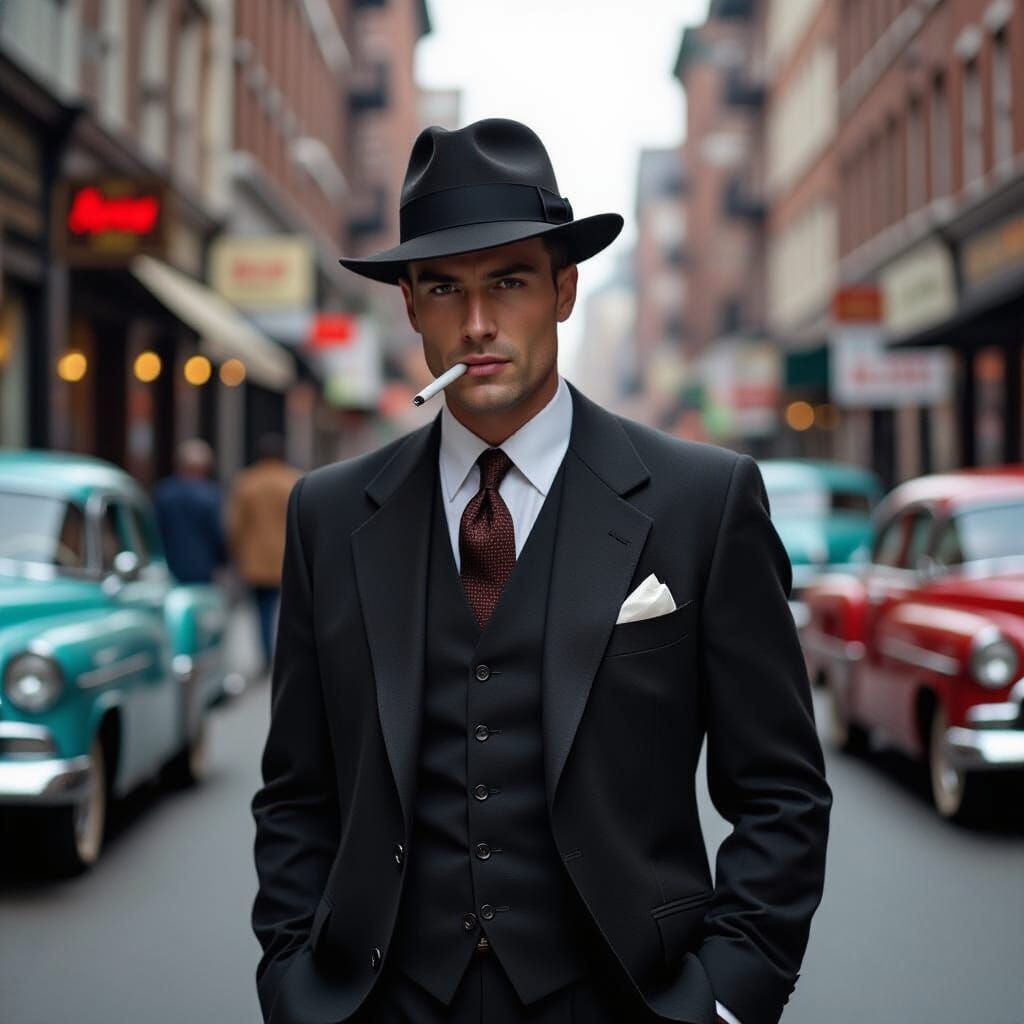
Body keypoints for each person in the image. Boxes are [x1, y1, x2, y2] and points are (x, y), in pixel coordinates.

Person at [251, 119, 832, 1024]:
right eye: (444, 288)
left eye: (509, 282)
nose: (476, 323)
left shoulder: (701, 501)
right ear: (408, 304)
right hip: (383, 1003)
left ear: (564, 290)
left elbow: (781, 790)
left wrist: (730, 997)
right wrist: (291, 981)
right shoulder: (327, 514)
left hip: (626, 999)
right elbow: (296, 789)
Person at [227, 434, 299, 672]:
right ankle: (287, 657)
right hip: (287, 558)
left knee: (262, 612)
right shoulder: (293, 481)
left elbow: (235, 526)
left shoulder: (247, 482)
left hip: (255, 561)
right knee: (290, 611)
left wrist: (237, 553)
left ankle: (268, 657)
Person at [153, 439, 226, 585]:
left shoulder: (164, 492)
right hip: (201, 566)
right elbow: (217, 531)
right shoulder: (210, 494)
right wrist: (223, 560)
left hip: (169, 564)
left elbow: (155, 529)